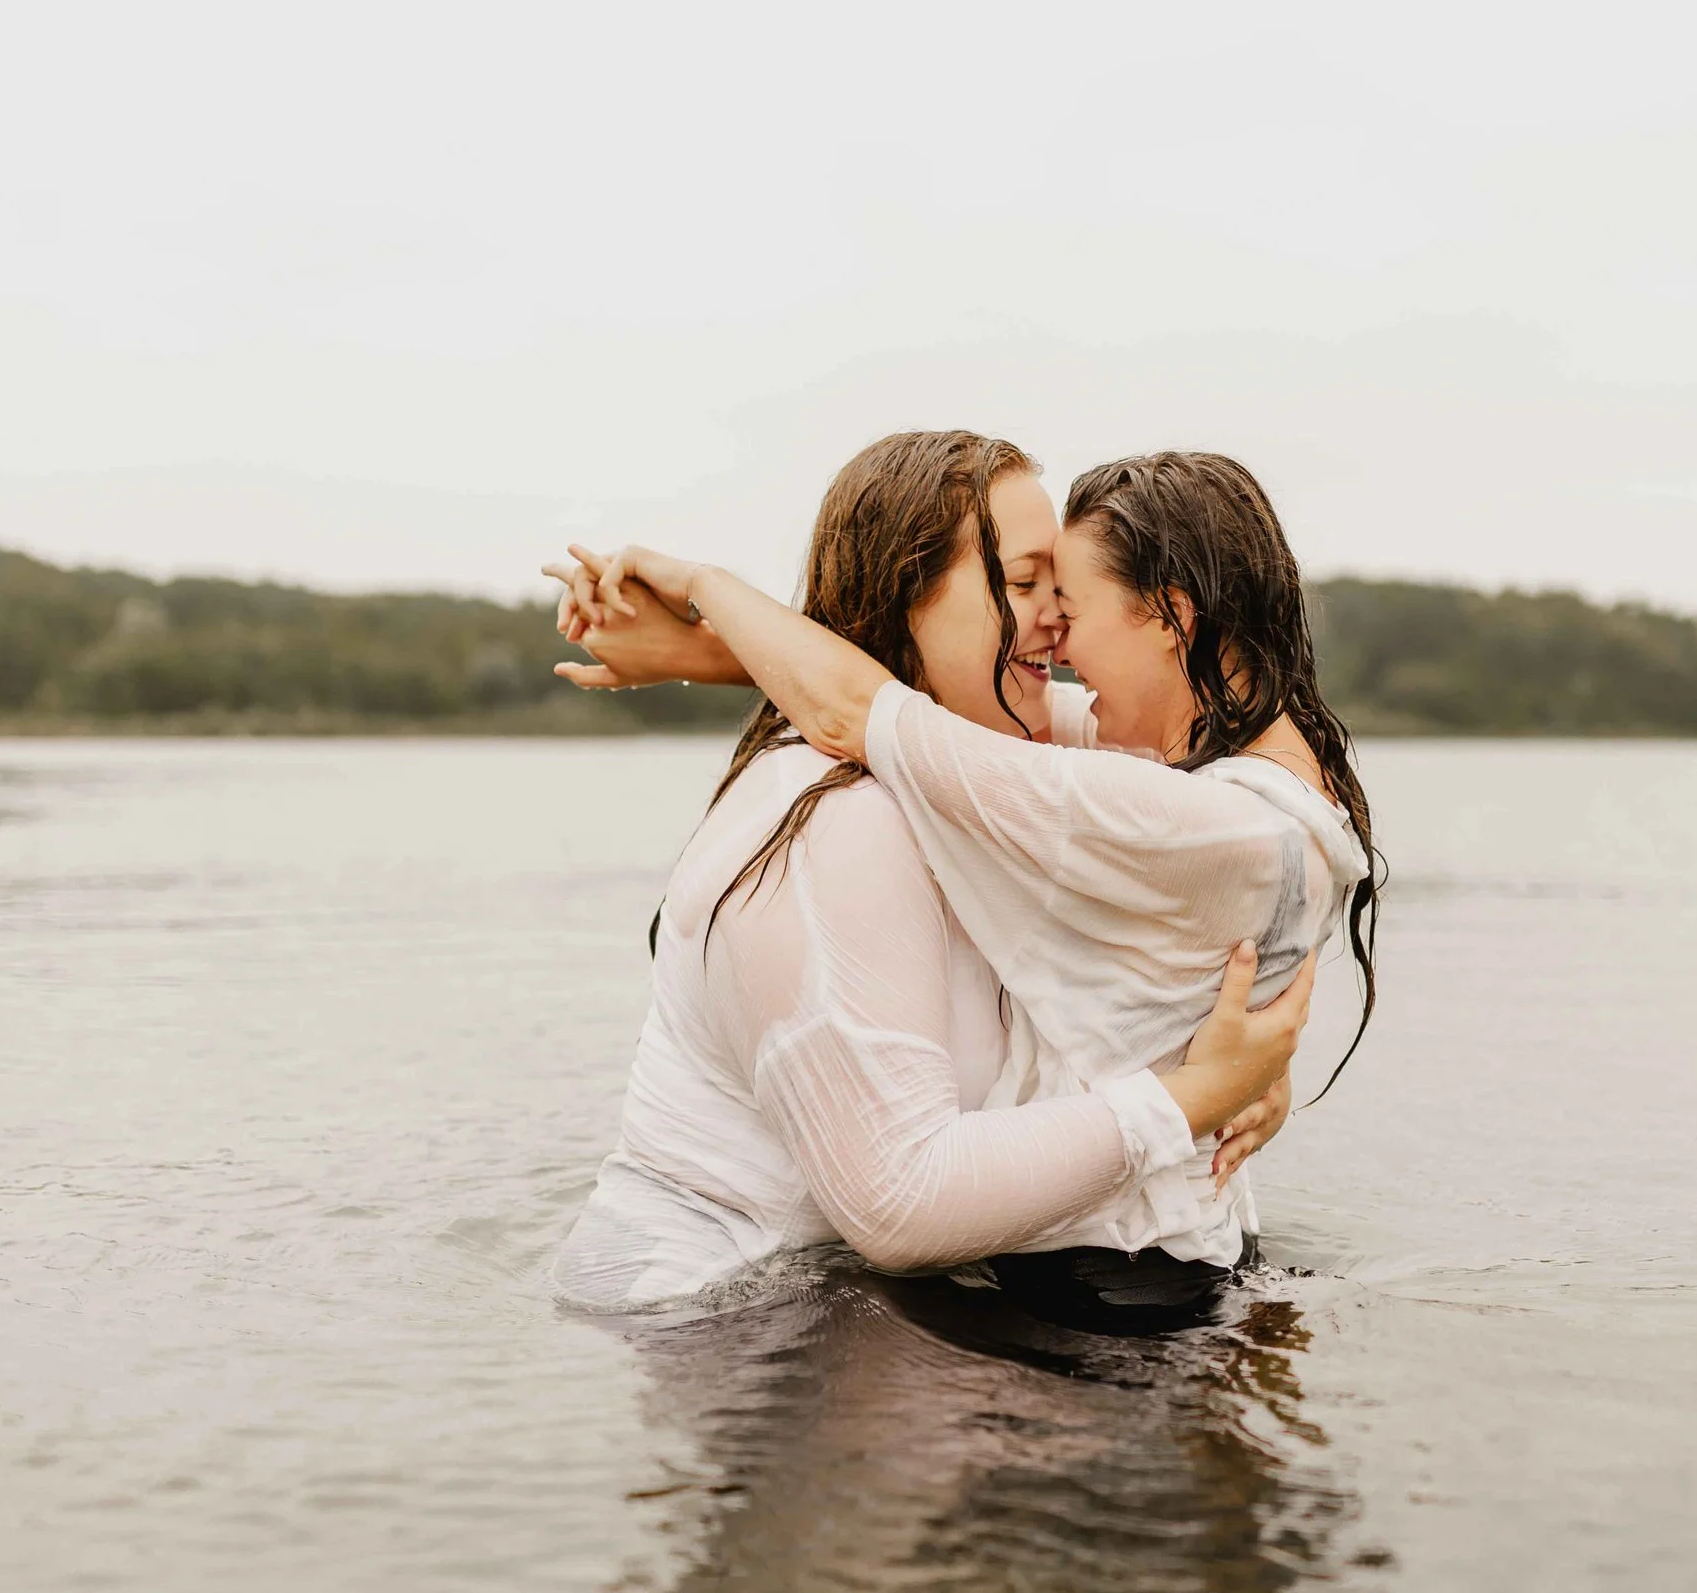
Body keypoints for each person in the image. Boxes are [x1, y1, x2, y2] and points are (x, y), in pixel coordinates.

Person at [557, 449, 1379, 1331]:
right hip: (728, 1326)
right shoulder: (843, 820)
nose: (1057, 632)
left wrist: (1228, 1062)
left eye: (1066, 596)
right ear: (906, 600)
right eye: (1027, 584)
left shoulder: (1087, 787)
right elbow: (899, 1202)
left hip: (835, 1308)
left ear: (1171, 616)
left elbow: (889, 703)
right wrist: (1198, 1095)